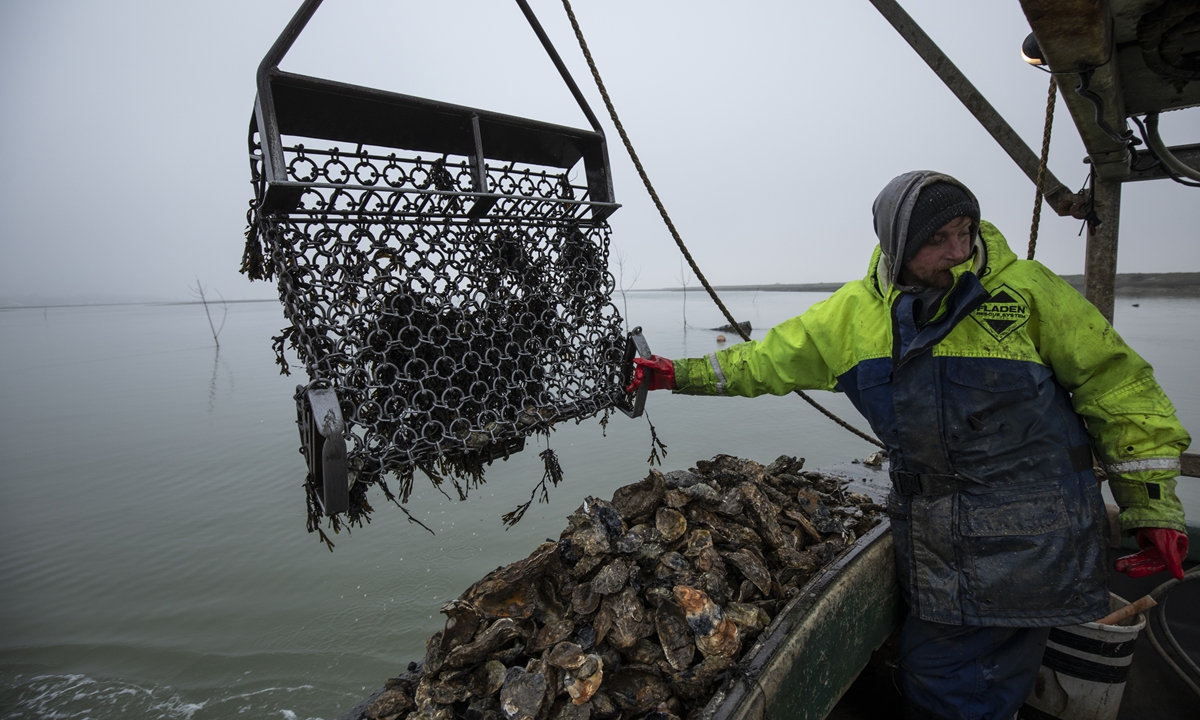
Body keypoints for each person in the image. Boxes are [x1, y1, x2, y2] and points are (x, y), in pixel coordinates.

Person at [626, 171, 1190, 720]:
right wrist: (674, 373)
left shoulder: (1027, 292)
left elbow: (1118, 386)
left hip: (1036, 534)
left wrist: (1152, 503)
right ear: (896, 246)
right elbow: (762, 361)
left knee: (951, 683)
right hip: (938, 537)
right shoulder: (850, 316)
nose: (957, 251)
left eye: (965, 232)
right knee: (963, 679)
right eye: (936, 240)